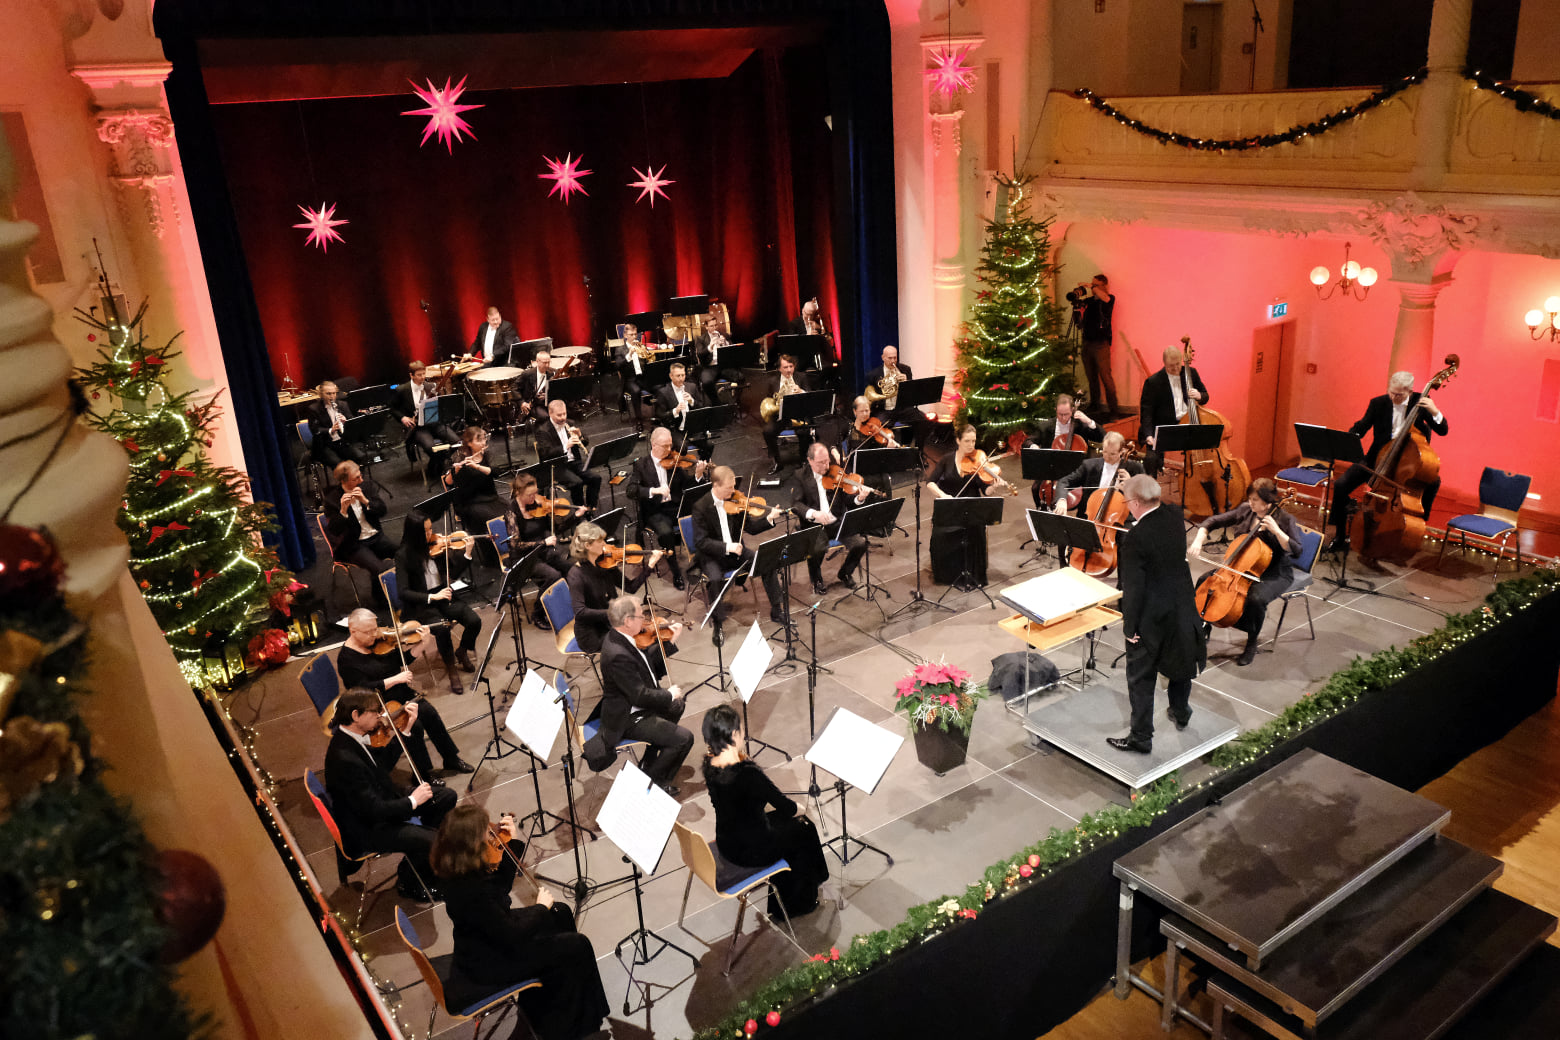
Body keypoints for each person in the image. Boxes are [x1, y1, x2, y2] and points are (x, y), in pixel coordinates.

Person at [429, 806, 609, 1040]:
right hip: (490, 964)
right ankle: (579, 1027)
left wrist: (510, 843)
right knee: (577, 944)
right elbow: (511, 933)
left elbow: (499, 891)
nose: (490, 835)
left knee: (561, 912)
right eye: (486, 832)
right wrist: (540, 907)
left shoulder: (456, 868)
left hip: (482, 945)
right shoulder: (472, 890)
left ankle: (562, 1004)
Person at [323, 688, 459, 902]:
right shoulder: (344, 758)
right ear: (356, 716)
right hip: (368, 828)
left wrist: (404, 731)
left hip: (382, 802)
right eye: (375, 712)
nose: (381, 716)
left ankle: (417, 860)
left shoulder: (353, 737)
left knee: (446, 797)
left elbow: (381, 766)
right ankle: (412, 884)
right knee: (431, 838)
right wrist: (413, 801)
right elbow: (373, 810)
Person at [1108, 475, 1207, 754]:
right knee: (1180, 661)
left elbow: (1134, 588)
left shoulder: (1136, 538)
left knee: (1140, 677)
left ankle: (1141, 737)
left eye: (1128, 502)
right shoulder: (1175, 516)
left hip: (1152, 618)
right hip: (1182, 607)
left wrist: (1130, 627)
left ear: (1136, 503)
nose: (1127, 507)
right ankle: (1181, 711)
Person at [702, 703, 829, 918]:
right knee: (804, 828)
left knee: (789, 826)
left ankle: (803, 887)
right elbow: (785, 806)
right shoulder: (748, 773)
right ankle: (799, 903)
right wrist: (799, 808)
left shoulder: (709, 764)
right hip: (753, 850)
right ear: (734, 734)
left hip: (727, 842)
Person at [335, 611, 474, 776]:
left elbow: (401, 660)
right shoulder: (346, 660)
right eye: (368, 632)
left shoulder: (378, 643)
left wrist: (423, 643)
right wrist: (395, 679)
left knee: (429, 712)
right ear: (353, 631)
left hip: (400, 693)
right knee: (414, 725)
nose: (375, 634)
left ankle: (451, 758)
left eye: (375, 628)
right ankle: (423, 774)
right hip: (377, 704)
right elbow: (362, 690)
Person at [1324, 371, 1450, 554]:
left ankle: (1418, 519)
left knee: (1433, 482)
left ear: (1409, 391)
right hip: (1378, 458)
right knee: (1341, 484)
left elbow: (1443, 430)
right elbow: (1363, 425)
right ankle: (1339, 535)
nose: (1393, 397)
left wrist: (1435, 411)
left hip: (1407, 463)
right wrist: (1348, 438)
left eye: (1399, 394)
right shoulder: (1379, 403)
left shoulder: (1421, 402)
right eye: (1391, 392)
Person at [1190, 478, 1305, 666]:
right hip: (1240, 566)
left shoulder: (1284, 520)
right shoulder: (1246, 510)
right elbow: (1213, 521)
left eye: (1255, 500)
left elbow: (1297, 551)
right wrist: (1199, 538)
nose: (1250, 503)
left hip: (1274, 572)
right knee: (1204, 580)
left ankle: (1252, 642)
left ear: (1268, 502)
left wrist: (1277, 532)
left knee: (1255, 599)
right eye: (1250, 499)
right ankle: (1203, 624)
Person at [585, 595, 692, 794]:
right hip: (627, 716)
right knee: (684, 739)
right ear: (627, 621)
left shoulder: (622, 638)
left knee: (678, 704)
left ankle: (649, 763)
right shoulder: (617, 654)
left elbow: (646, 666)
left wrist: (668, 643)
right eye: (641, 615)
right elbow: (639, 696)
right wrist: (668, 694)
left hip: (634, 703)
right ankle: (652, 784)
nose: (645, 619)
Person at [691, 465, 788, 633]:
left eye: (734, 486)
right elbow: (701, 542)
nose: (733, 490)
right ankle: (718, 624)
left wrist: (769, 518)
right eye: (729, 488)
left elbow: (750, 527)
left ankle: (776, 610)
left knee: (765, 561)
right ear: (716, 486)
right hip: (712, 556)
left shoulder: (735, 501)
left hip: (738, 552)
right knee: (714, 579)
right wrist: (727, 546)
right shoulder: (700, 507)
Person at [394, 512, 483, 693]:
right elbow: (403, 592)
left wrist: (467, 553)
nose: (430, 535)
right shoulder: (403, 555)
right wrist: (430, 597)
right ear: (414, 533)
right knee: (442, 629)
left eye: (431, 529)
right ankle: (452, 670)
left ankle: (462, 650)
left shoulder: (436, 548)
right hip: (421, 604)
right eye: (425, 532)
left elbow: (452, 574)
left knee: (474, 620)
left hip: (442, 595)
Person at [927, 425, 1012, 588]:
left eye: (973, 441)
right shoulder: (946, 460)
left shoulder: (979, 461)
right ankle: (949, 574)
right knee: (940, 535)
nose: (971, 445)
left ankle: (973, 573)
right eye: (967, 441)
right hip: (951, 506)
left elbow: (985, 491)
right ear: (958, 440)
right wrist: (943, 495)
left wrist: (994, 486)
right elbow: (930, 482)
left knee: (975, 532)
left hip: (973, 507)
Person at [564, 521, 665, 653]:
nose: (605, 544)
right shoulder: (576, 575)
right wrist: (614, 614)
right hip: (593, 633)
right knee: (640, 643)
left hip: (611, 623)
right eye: (600, 541)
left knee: (655, 637)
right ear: (588, 545)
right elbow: (580, 612)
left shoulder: (607, 564)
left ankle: (650, 672)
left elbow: (631, 587)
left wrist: (650, 566)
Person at [628, 427, 708, 591]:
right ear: (654, 445)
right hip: (655, 511)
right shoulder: (641, 465)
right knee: (665, 533)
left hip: (675, 507)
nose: (670, 450)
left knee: (703, 518)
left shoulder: (675, 463)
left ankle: (700, 563)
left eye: (670, 445)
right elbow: (631, 491)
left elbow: (687, 486)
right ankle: (677, 573)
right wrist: (654, 490)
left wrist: (698, 475)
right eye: (665, 446)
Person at [789, 443, 870, 595]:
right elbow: (796, 504)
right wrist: (814, 514)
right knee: (817, 549)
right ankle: (817, 579)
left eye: (827, 460)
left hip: (837, 522)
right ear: (810, 460)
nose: (826, 466)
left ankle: (845, 573)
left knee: (860, 543)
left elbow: (848, 500)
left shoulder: (836, 472)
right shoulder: (800, 476)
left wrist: (859, 498)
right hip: (815, 526)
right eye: (821, 462)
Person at [507, 473, 586, 625]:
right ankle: (538, 613)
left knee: (573, 570)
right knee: (553, 576)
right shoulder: (512, 512)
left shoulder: (539, 505)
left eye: (535, 493)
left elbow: (557, 528)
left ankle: (572, 605)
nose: (534, 497)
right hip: (524, 557)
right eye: (530, 495)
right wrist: (543, 542)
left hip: (543, 551)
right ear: (519, 493)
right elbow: (516, 544)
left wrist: (575, 516)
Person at [1137, 344, 1210, 479]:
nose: (1176, 368)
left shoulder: (1191, 373)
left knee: (1206, 449)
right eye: (1171, 366)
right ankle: (1151, 491)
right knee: (1151, 458)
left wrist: (1200, 395)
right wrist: (1148, 435)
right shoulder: (1153, 382)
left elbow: (1205, 395)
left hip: (1187, 424)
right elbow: (1146, 412)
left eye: (1178, 364)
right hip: (1164, 427)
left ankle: (1197, 482)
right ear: (1164, 363)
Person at [1025, 393, 1105, 510]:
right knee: (1036, 488)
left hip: (1076, 470)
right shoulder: (1046, 426)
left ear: (1072, 410)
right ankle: (1041, 511)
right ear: (1055, 410)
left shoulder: (1080, 425)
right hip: (1053, 469)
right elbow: (1028, 441)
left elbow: (1102, 436)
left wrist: (1089, 421)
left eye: (1066, 414)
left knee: (1088, 492)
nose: (1063, 418)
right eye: (1060, 414)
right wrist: (1034, 446)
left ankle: (1082, 518)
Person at [390, 360, 461, 481]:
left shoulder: (430, 386)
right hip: (418, 427)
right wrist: (403, 418)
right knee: (430, 447)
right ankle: (438, 463)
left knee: (457, 442)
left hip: (434, 423)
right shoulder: (402, 390)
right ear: (411, 375)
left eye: (424, 373)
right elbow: (392, 408)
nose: (423, 377)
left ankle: (438, 461)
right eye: (419, 375)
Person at [323, 461, 395, 576]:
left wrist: (366, 502)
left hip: (376, 537)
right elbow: (334, 530)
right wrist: (343, 512)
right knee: (380, 570)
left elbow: (383, 511)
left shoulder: (367, 487)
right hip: (354, 545)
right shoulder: (332, 500)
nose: (361, 480)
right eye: (356, 478)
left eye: (360, 476)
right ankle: (382, 593)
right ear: (344, 481)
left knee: (404, 553)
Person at [1053, 431, 1142, 517]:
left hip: (1120, 518)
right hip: (1089, 516)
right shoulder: (1088, 465)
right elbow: (1064, 481)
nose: (1107, 457)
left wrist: (1131, 486)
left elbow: (1148, 496)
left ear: (1121, 451)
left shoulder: (1135, 468)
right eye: (1105, 451)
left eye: (1112, 454)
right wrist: (1061, 500)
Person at [533, 399, 600, 508]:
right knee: (577, 483)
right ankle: (580, 511)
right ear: (550, 413)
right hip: (557, 466)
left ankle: (590, 508)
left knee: (596, 478)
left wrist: (580, 436)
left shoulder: (569, 423)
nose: (563, 417)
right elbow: (546, 453)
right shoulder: (542, 430)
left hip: (574, 462)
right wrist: (566, 446)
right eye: (559, 415)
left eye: (564, 414)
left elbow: (585, 442)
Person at [444, 427, 505, 544]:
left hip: (490, 497)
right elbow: (449, 483)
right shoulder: (459, 457)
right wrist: (456, 470)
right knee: (492, 520)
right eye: (479, 440)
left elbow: (496, 472)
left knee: (509, 514)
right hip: (471, 502)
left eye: (484, 439)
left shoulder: (486, 455)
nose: (483, 443)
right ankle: (491, 549)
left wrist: (477, 466)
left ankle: (506, 546)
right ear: (470, 443)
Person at [1067, 273, 1118, 416]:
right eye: (1092, 284)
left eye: (1096, 285)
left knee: (1106, 377)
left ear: (1104, 286)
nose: (1092, 288)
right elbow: (1080, 324)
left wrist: (1093, 287)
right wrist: (1077, 310)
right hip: (1087, 342)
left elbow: (1105, 298)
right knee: (1091, 377)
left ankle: (1114, 410)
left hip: (1101, 344)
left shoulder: (1109, 299)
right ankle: (1095, 405)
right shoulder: (1089, 302)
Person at [861, 345, 929, 450]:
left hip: (903, 409)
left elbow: (912, 393)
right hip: (884, 410)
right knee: (874, 428)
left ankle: (919, 453)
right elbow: (869, 396)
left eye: (895, 358)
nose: (893, 361)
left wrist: (907, 382)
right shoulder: (873, 375)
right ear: (883, 357)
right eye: (890, 358)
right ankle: (884, 454)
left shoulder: (905, 370)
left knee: (923, 421)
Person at [761, 354, 814, 475]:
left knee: (804, 431)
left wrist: (801, 391)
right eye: (785, 367)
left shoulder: (802, 377)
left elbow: (810, 396)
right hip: (781, 416)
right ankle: (777, 462)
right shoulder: (772, 381)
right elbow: (769, 400)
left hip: (799, 414)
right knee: (767, 431)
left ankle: (803, 460)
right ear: (779, 368)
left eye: (791, 366)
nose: (789, 370)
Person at [654, 362, 713, 460]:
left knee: (709, 445)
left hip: (692, 427)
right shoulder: (663, 392)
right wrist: (675, 411)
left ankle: (701, 465)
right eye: (678, 376)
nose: (681, 378)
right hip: (675, 429)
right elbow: (659, 415)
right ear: (671, 376)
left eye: (683, 375)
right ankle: (681, 471)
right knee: (682, 448)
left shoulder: (692, 387)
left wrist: (692, 401)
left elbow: (701, 407)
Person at [305, 381, 363, 468]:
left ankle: (355, 480)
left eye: (334, 393)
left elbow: (353, 421)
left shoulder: (343, 405)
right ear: (321, 395)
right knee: (338, 465)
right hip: (324, 444)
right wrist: (330, 430)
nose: (332, 396)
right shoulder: (314, 409)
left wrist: (346, 420)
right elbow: (314, 429)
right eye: (328, 394)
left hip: (341, 441)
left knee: (359, 458)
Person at [515, 348, 553, 426]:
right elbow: (514, 388)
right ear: (537, 362)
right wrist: (522, 403)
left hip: (547, 402)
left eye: (549, 362)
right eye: (544, 363)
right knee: (546, 417)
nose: (547, 365)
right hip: (533, 404)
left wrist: (547, 395)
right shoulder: (527, 374)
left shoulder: (551, 373)